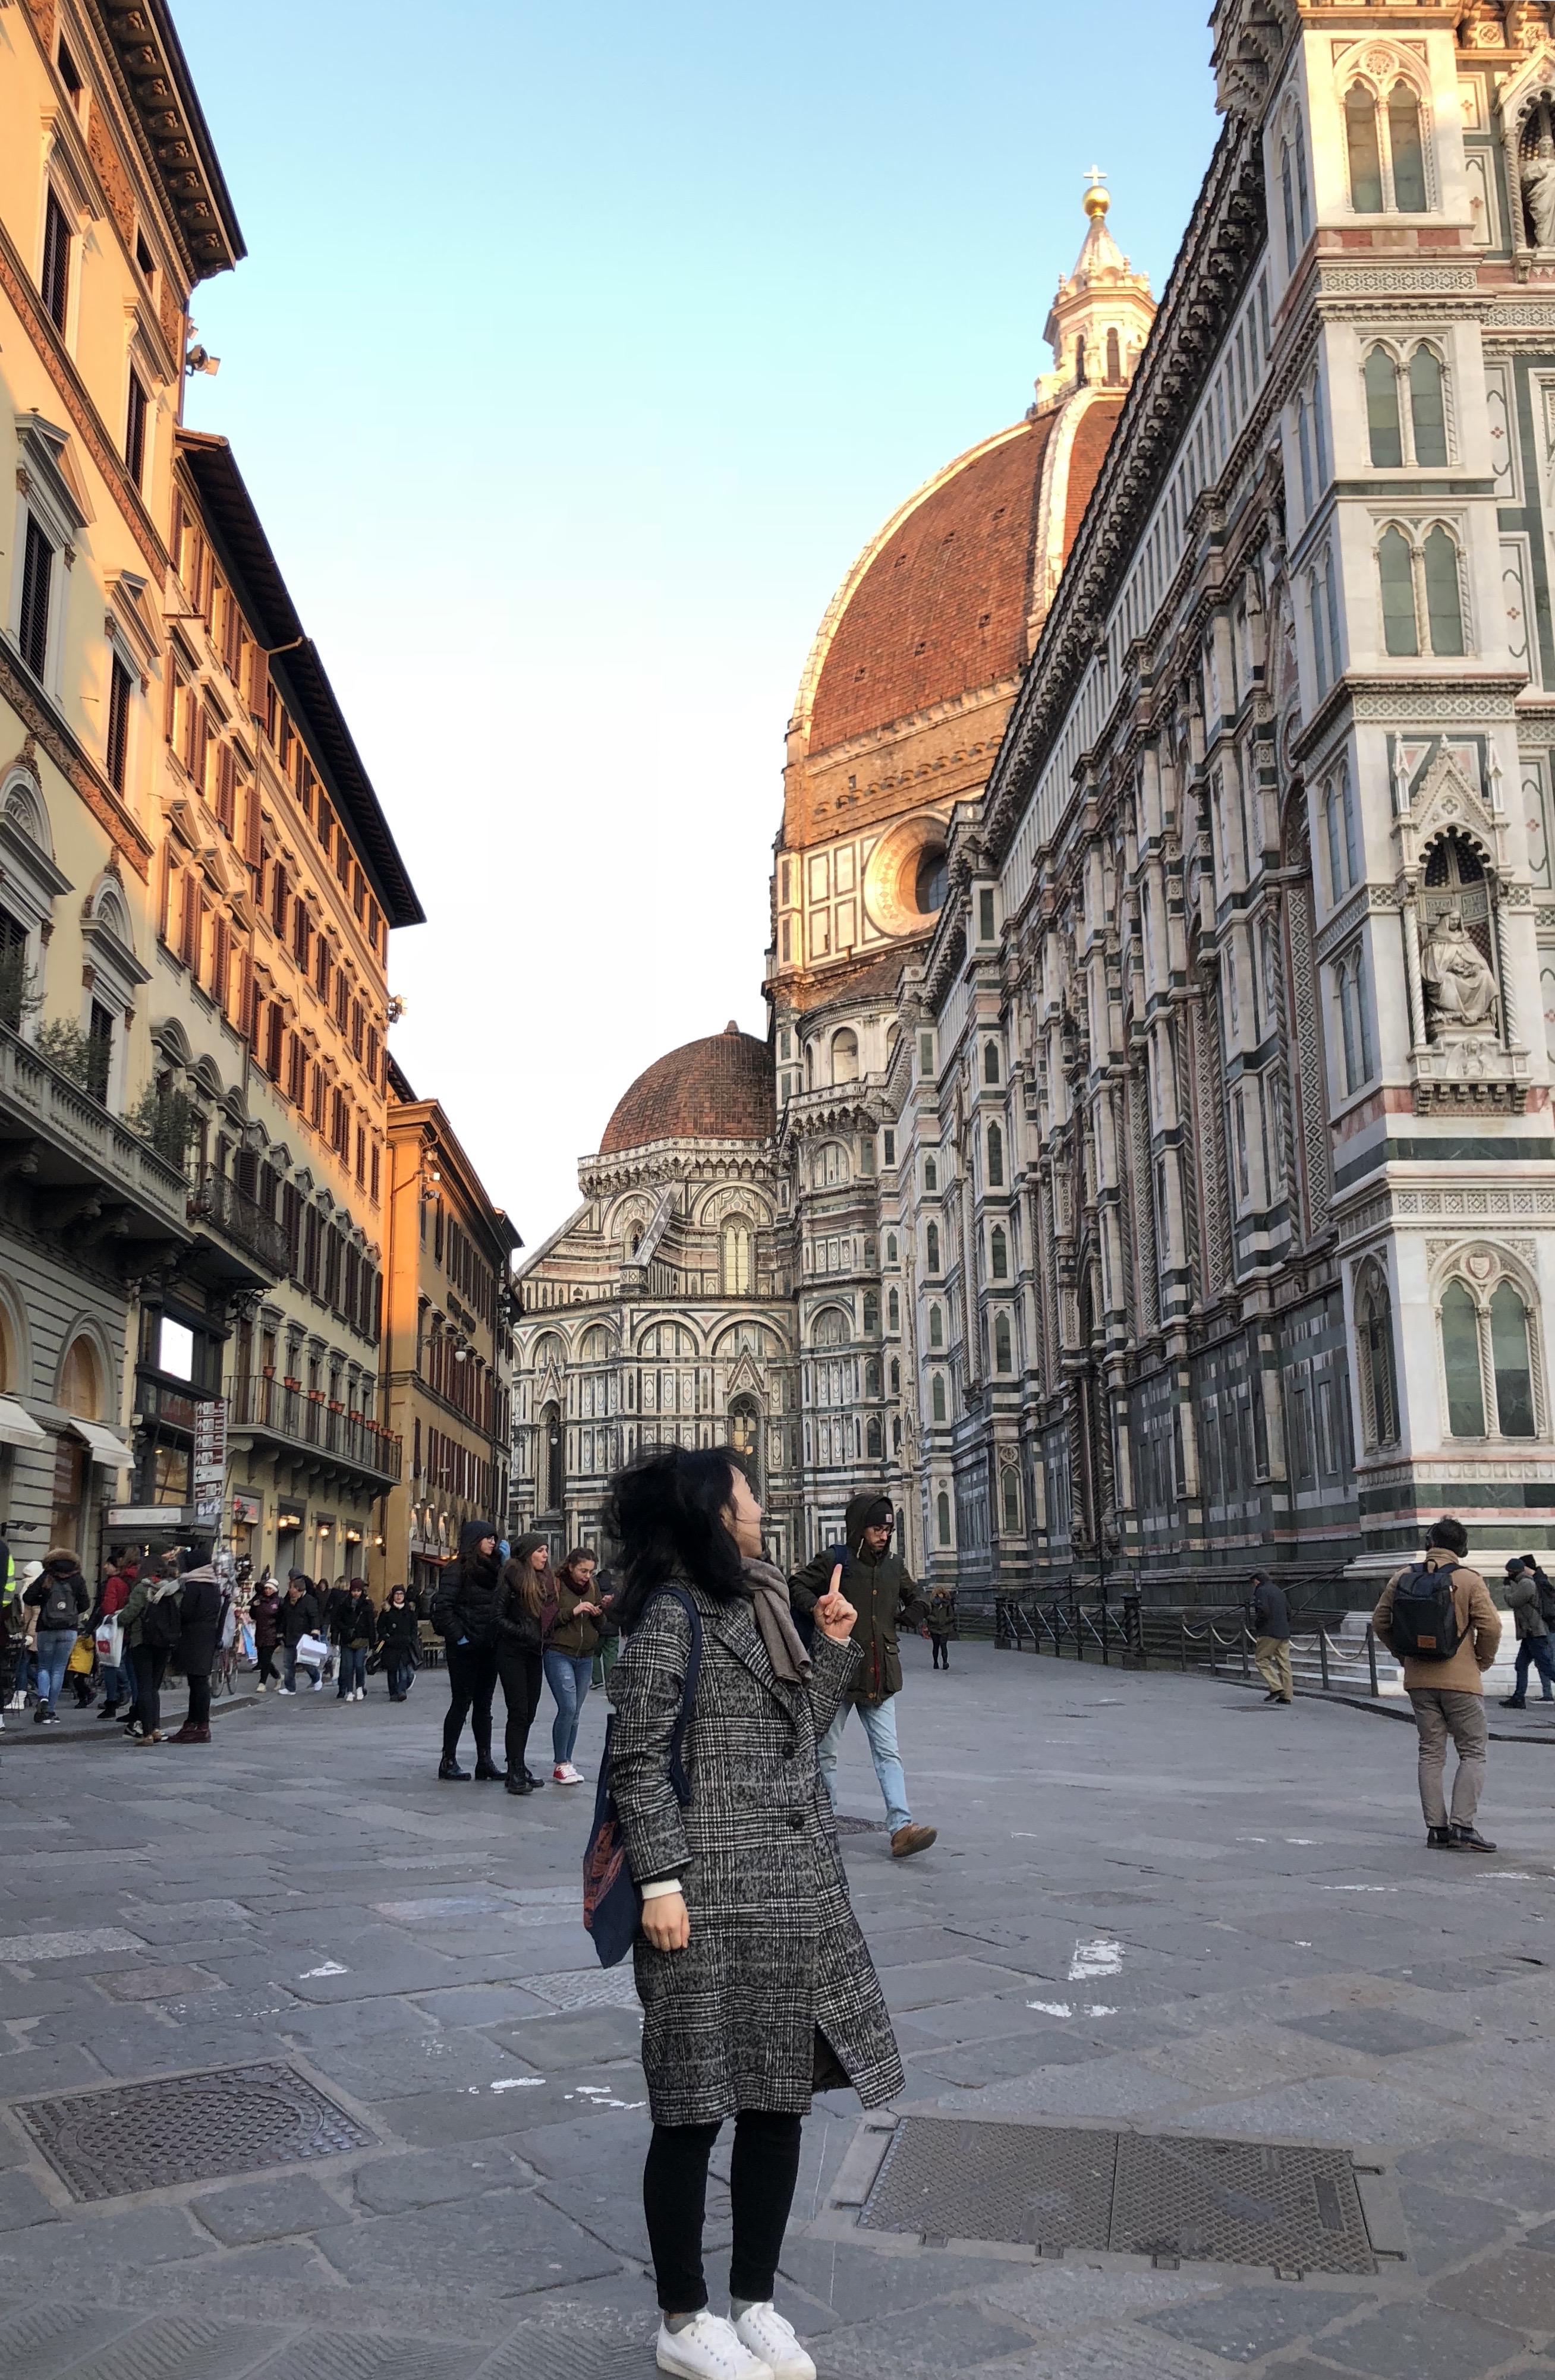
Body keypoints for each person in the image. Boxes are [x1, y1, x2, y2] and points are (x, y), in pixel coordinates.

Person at [607, 1444, 904, 2380]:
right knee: (692, 2110)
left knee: (777, 2107)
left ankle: (756, 2301)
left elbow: (796, 1739)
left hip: (789, 1891)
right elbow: (636, 1759)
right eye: (746, 1493)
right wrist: (659, 1882)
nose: (759, 1504)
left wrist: (834, 1644)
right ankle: (684, 2317)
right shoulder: (671, 1614)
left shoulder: (764, 1601)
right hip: (702, 1898)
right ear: (708, 1510)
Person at [789, 1497, 937, 1860]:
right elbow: (795, 1586)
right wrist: (817, 1605)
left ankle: (902, 1828)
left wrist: (915, 1610)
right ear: (860, 1529)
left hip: (879, 1674)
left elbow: (918, 1595)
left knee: (889, 1752)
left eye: (888, 1530)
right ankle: (822, 1824)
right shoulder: (836, 1561)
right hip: (836, 1673)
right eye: (877, 1529)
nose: (883, 1536)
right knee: (826, 1752)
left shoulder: (894, 1566)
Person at [1373, 1516, 1503, 1852]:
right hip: (1461, 1680)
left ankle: (1436, 1829)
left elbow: (1380, 1621)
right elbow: (1491, 1627)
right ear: (1462, 1548)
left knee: (1431, 1751)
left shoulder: (1404, 1575)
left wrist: (1404, 1657)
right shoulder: (1468, 1580)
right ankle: (1463, 1825)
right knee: (1473, 1750)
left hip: (1418, 1679)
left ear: (1429, 1543)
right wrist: (1481, 1662)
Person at [432, 1520, 506, 1782]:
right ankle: (448, 1760)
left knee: (484, 1707)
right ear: (475, 1541)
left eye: (495, 1538)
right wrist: (459, 1637)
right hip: (464, 1649)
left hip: (488, 1646)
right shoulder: (457, 1569)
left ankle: (484, 1761)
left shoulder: (497, 1569)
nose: (493, 1542)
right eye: (488, 1538)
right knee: (461, 1702)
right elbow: (444, 1608)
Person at [544, 1546, 603, 1785]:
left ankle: (568, 1761)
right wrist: (574, 1611)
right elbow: (548, 1620)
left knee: (576, 1714)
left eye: (590, 1571)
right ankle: (560, 1764)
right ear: (570, 1566)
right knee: (567, 1707)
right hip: (560, 1653)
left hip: (585, 1656)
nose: (586, 1576)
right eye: (582, 1570)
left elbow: (601, 1625)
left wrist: (600, 1611)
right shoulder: (556, 1584)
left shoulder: (593, 1587)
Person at [495, 1536, 548, 1795]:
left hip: (534, 1653)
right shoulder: (511, 1577)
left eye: (546, 1550)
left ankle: (520, 1763)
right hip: (512, 1652)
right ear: (528, 1554)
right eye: (540, 1550)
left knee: (530, 1712)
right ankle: (513, 1769)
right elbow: (497, 1617)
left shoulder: (544, 1581)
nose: (545, 1555)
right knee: (518, 1711)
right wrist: (522, 1632)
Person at [23, 1546, 90, 1725]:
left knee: (44, 1666)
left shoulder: (47, 1575)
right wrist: (71, 1612)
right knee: (59, 1669)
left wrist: (44, 1603)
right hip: (69, 1629)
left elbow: (28, 1598)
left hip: (46, 1628)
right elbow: (85, 1604)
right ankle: (50, 1710)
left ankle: (43, 1697)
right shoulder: (77, 1578)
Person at [122, 1558, 183, 1744]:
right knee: (154, 1687)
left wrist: (117, 1620)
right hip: (164, 1643)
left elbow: (130, 1613)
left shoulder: (143, 1588)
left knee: (144, 1687)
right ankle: (156, 1729)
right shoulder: (175, 1591)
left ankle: (147, 1732)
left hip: (143, 1641)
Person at [169, 1561, 224, 1744]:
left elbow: (186, 1612)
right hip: (209, 1635)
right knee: (201, 1680)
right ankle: (196, 1723)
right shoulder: (213, 1586)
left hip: (194, 1637)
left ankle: (198, 1724)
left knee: (197, 1682)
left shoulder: (194, 1585)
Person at [1500, 1556, 1555, 1709]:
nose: (1508, 1574)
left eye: (1509, 1572)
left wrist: (1506, 1588)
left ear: (1515, 1571)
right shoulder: (1523, 1583)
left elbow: (1513, 1601)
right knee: (1521, 1665)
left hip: (1535, 1633)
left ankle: (1519, 1697)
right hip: (1529, 1633)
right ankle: (1518, 1698)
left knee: (1547, 1667)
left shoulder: (1526, 1584)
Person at [92, 1548, 138, 1720]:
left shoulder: (116, 1582)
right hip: (135, 1630)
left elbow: (109, 1608)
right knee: (133, 1670)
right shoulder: (139, 1579)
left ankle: (112, 1703)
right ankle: (136, 1707)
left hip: (117, 1630)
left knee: (110, 1665)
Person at [1249, 1569, 1292, 1706]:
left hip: (1268, 1632)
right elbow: (1289, 1611)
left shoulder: (1261, 1591)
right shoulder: (1279, 1591)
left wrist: (1258, 1625)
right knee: (1284, 1663)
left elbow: (1263, 1610)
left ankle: (1276, 1687)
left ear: (1257, 1581)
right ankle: (1287, 1695)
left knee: (1261, 1660)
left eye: (1253, 1583)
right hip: (1284, 1631)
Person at [279, 1574, 323, 1694]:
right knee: (288, 1664)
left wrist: (315, 1631)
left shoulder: (309, 1601)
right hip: (289, 1636)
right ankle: (290, 1688)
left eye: (291, 1588)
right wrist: (280, 1632)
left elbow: (314, 1617)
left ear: (298, 1590)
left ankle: (317, 1678)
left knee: (306, 1663)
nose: (289, 1590)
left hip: (304, 1637)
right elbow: (284, 1617)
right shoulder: (288, 1601)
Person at [333, 1578, 375, 1702]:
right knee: (348, 1667)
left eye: (358, 1591)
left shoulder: (367, 1605)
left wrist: (373, 1642)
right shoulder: (343, 1604)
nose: (356, 1593)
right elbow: (337, 1621)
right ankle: (349, 1691)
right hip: (347, 1640)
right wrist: (343, 1631)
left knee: (359, 1665)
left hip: (362, 1639)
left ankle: (360, 1687)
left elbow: (371, 1624)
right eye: (354, 1591)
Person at [376, 1585, 420, 1701]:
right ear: (393, 1596)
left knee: (404, 1670)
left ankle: (402, 1691)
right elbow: (380, 1626)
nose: (399, 1596)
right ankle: (393, 1693)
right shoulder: (387, 1611)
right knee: (392, 1670)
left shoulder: (409, 1611)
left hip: (405, 1645)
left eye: (401, 1594)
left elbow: (414, 1627)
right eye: (396, 1594)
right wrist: (385, 1637)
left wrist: (411, 1638)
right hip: (391, 1645)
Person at [592, 1562, 622, 1690]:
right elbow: (622, 1611)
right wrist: (625, 1629)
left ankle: (597, 1680)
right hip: (613, 1630)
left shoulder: (594, 1590)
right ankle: (611, 1682)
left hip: (598, 1629)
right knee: (611, 1656)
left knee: (594, 1654)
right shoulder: (616, 1592)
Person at [252, 1577, 283, 1692]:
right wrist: (253, 1607)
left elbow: (282, 1618)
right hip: (260, 1632)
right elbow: (253, 1615)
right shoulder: (260, 1600)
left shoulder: (279, 1602)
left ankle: (262, 1683)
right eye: (266, 1588)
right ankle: (277, 1676)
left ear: (275, 1590)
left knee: (266, 1658)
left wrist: (280, 1635)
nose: (268, 1590)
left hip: (272, 1633)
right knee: (263, 1659)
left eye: (270, 1588)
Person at [926, 1583, 956, 1671]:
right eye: (939, 1594)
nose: (941, 1596)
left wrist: (945, 1620)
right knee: (936, 1646)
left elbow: (951, 1616)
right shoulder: (932, 1604)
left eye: (942, 1594)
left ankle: (945, 1662)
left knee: (944, 1645)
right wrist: (934, 1619)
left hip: (944, 1628)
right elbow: (928, 1614)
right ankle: (936, 1662)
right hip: (934, 1628)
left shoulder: (947, 1605)